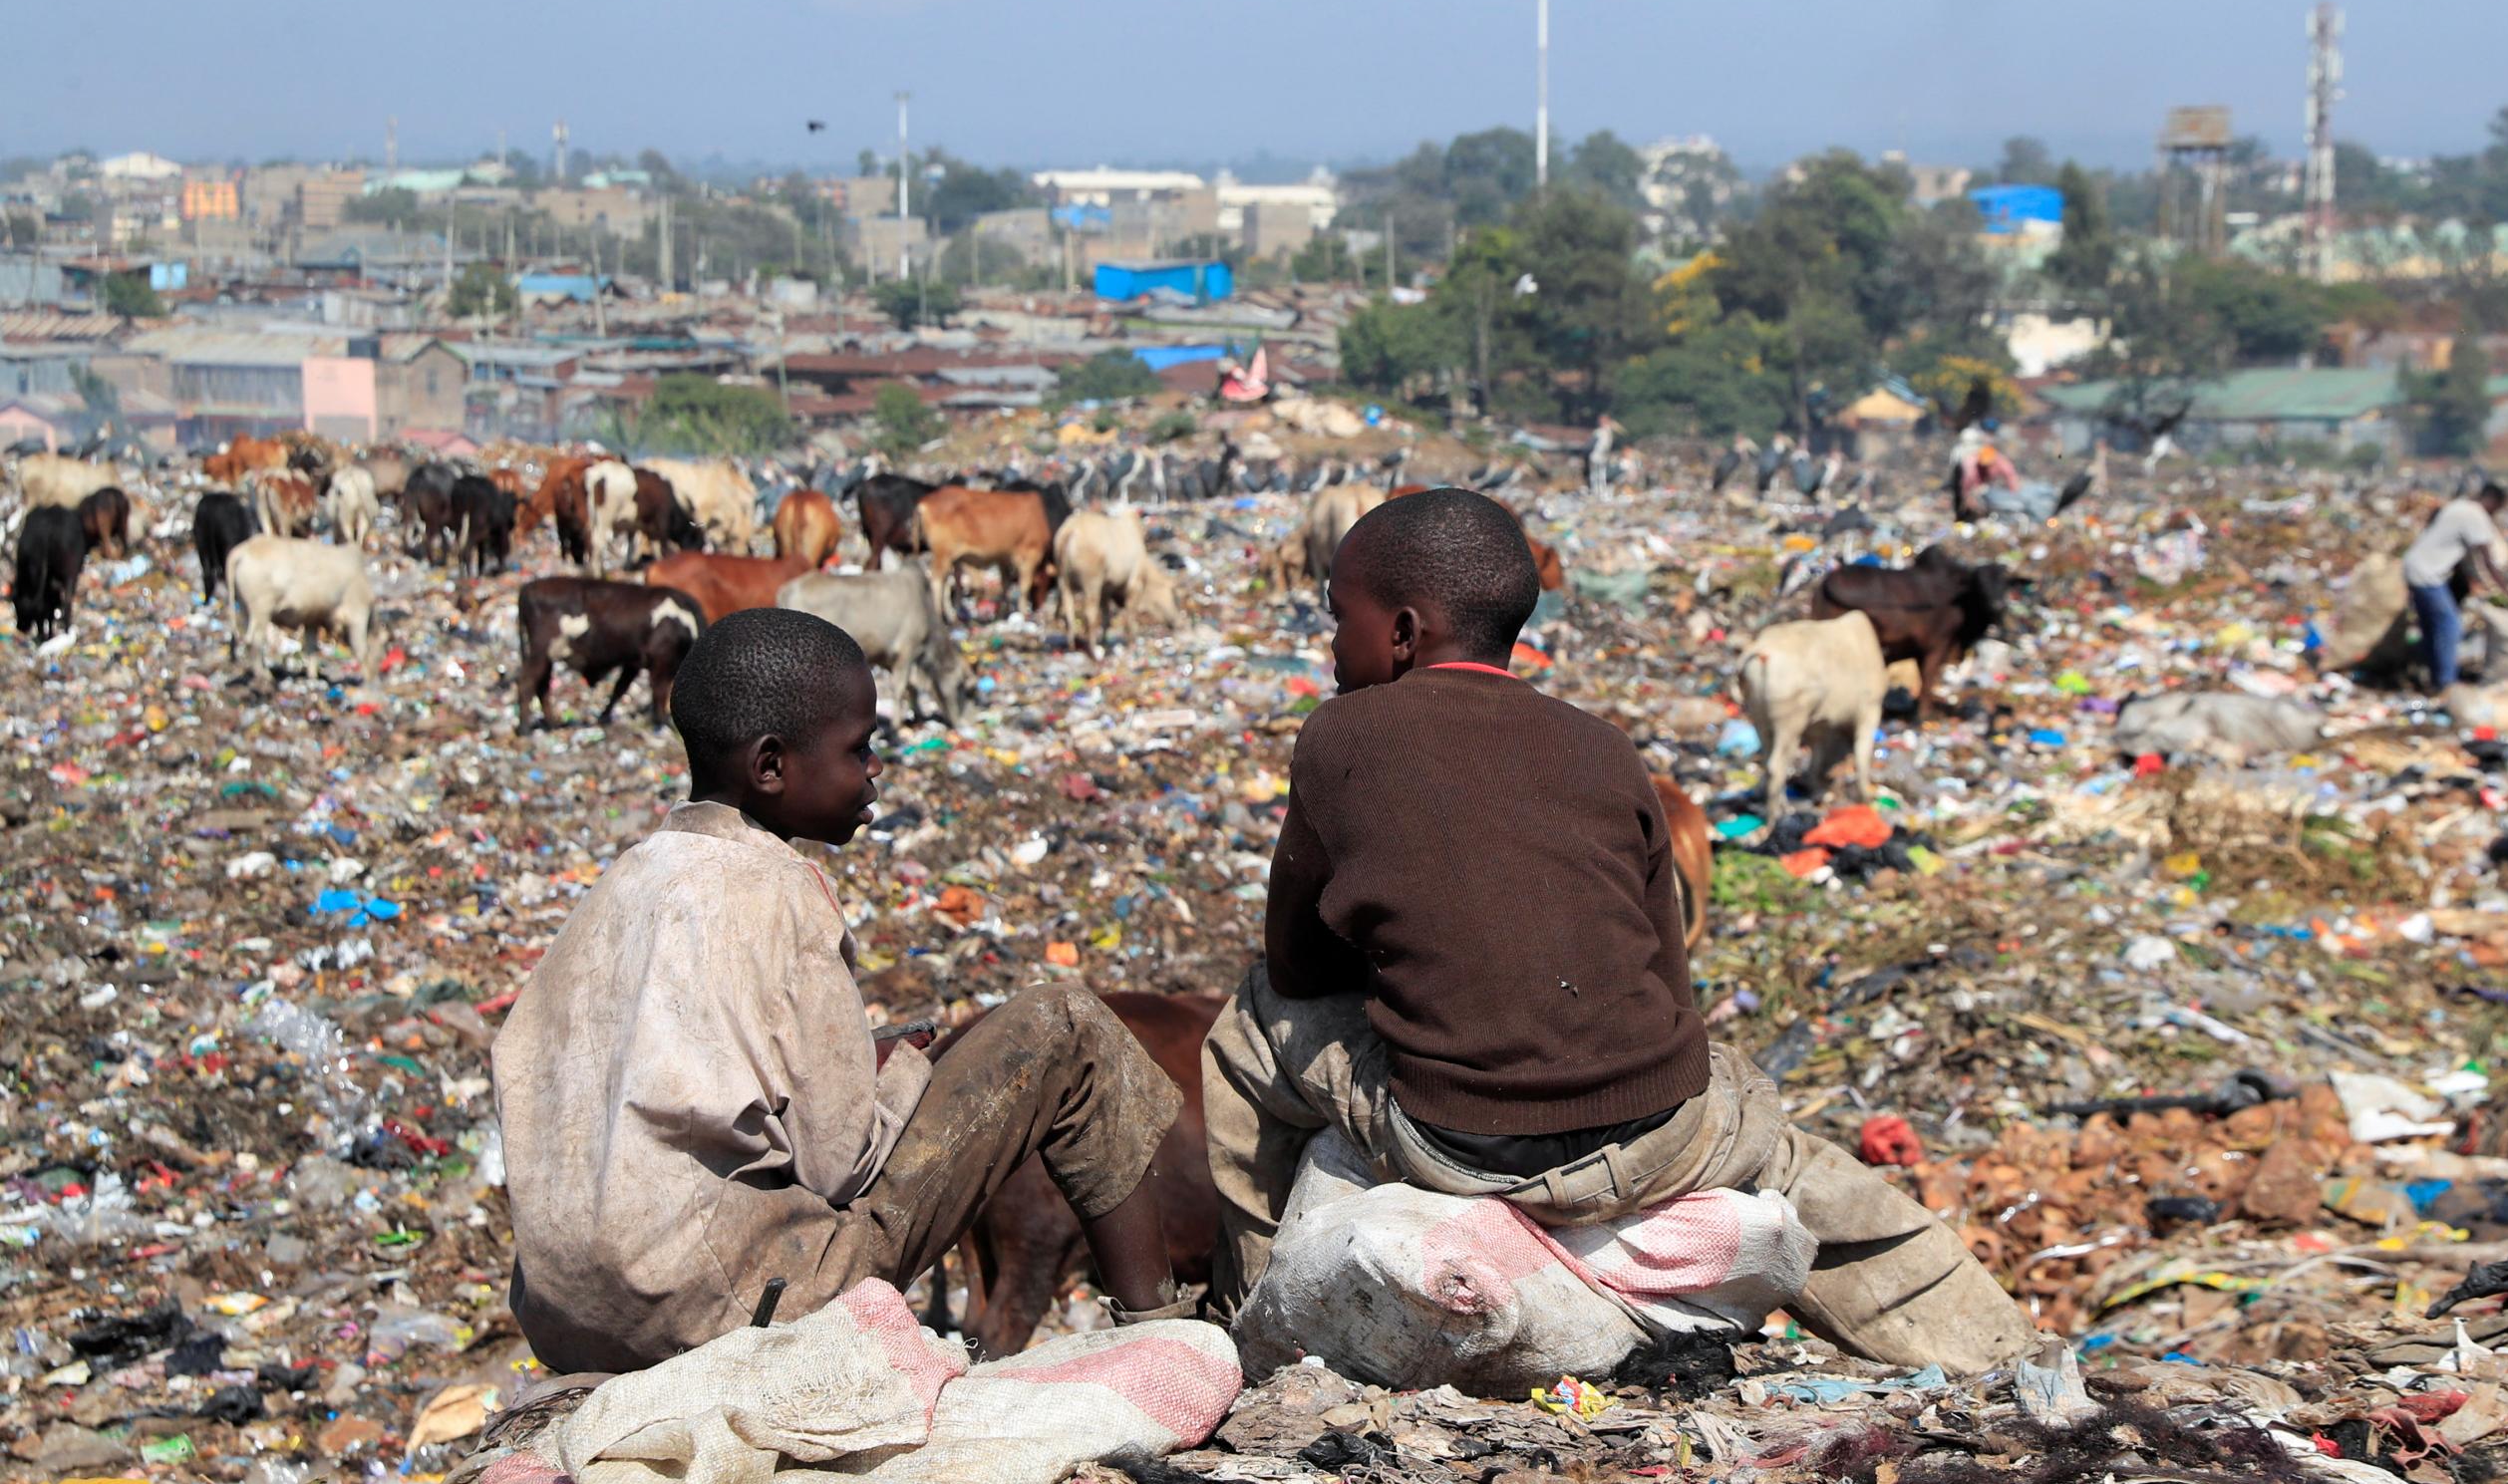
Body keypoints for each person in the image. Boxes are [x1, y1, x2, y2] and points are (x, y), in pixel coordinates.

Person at [1203, 490, 2035, 1374]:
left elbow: (1294, 964)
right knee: (1799, 1170)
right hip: (1662, 1139)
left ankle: (1256, 1330)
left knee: (1246, 1024)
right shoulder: (1602, 747)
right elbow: (1669, 979)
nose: (1333, 646)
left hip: (1456, 1143)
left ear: (1403, 632)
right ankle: (2004, 1354)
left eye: (1341, 620)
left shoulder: (1339, 734)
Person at [493, 608, 1189, 1373]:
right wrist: (896, 1074)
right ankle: (1160, 1341)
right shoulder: (785, 889)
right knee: (1067, 1026)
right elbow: (840, 1167)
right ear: (771, 766)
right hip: (719, 1305)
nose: (874, 770)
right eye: (858, 749)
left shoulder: (619, 885)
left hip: (566, 1318)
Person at [2402, 482, 2508, 692]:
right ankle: (2446, 684)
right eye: (2497, 509)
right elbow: (2487, 561)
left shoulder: (2458, 506)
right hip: (2428, 575)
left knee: (2431, 627)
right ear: (2493, 501)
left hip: (2413, 566)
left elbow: (2459, 553)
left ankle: (2431, 676)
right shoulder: (2476, 516)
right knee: (2450, 626)